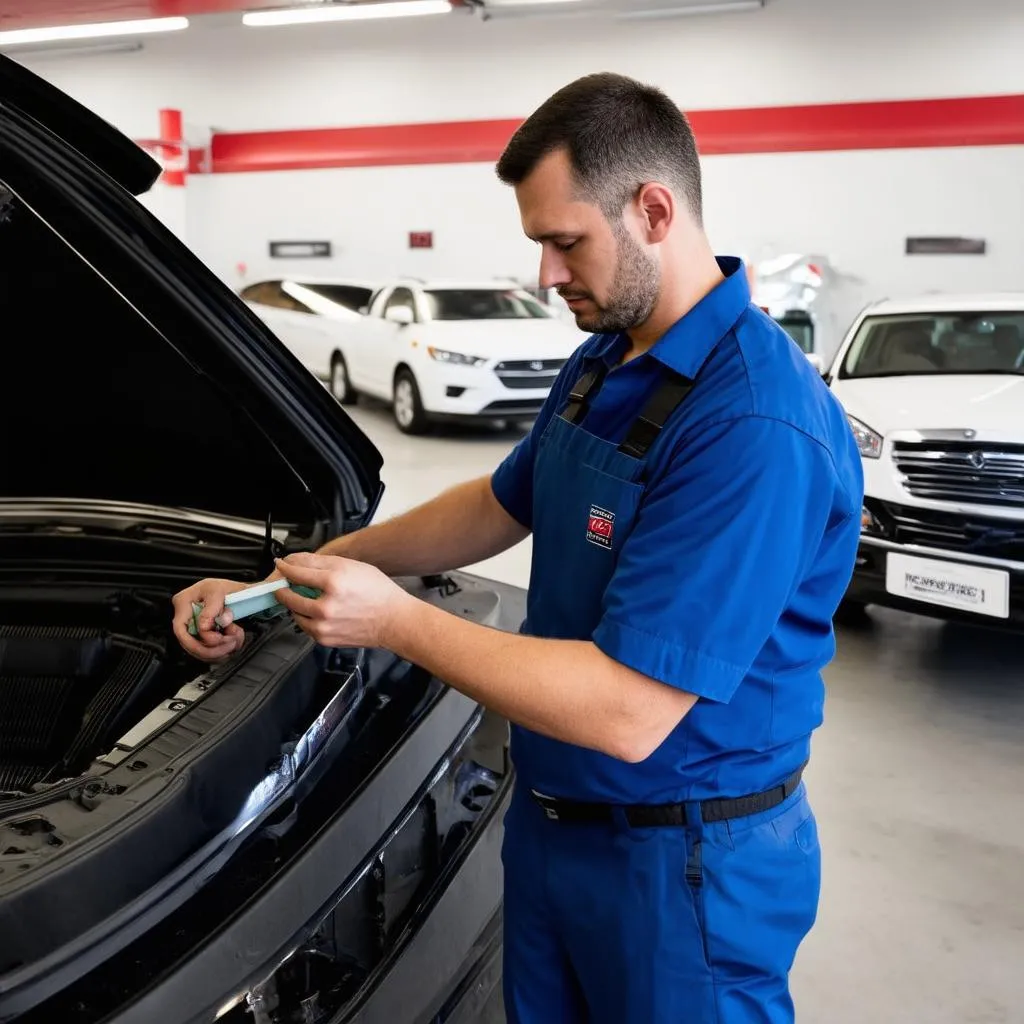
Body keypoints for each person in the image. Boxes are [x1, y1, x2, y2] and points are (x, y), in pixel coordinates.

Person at [172, 72, 864, 1024]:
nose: (546, 275)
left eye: (565, 241)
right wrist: (308, 569)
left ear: (654, 210)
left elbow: (628, 712)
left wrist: (398, 621)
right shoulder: (607, 357)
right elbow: (499, 505)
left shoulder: (751, 423)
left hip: (683, 871)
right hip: (554, 828)